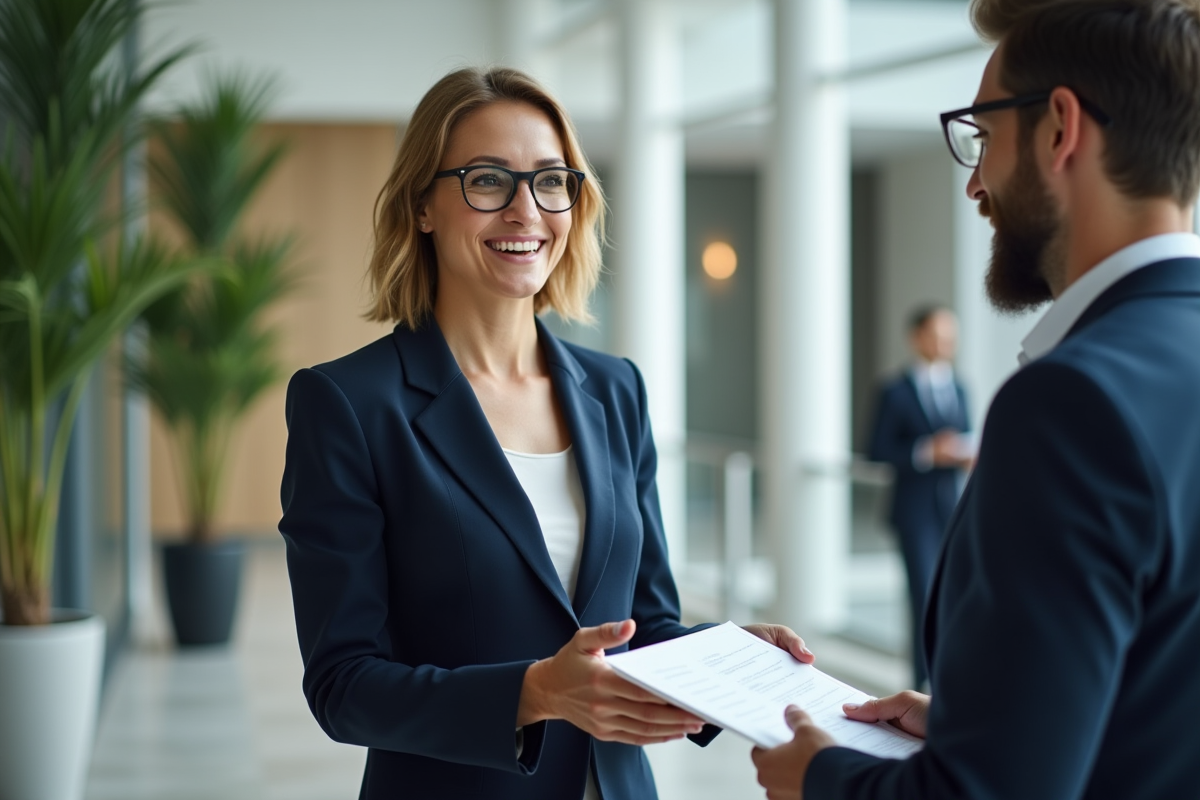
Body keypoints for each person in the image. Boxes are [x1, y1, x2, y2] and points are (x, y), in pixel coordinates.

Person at [278, 66, 810, 800]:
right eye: (488, 180)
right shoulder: (348, 404)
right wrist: (533, 693)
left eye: (551, 180)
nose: (526, 210)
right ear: (423, 206)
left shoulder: (614, 389)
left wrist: (723, 657)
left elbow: (643, 624)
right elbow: (342, 686)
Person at [752, 0, 1200, 797]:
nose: (974, 183)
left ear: (1060, 127)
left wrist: (819, 776)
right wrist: (993, 715)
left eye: (982, 136)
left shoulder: (1070, 402)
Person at [867, 305, 972, 689]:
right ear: (917, 337)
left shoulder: (960, 387)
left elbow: (966, 436)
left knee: (954, 596)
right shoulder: (894, 391)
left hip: (954, 510)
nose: (947, 343)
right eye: (939, 334)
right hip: (913, 512)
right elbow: (875, 450)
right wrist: (928, 452)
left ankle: (949, 680)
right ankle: (920, 686)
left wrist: (964, 456)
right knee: (923, 598)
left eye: (951, 336)